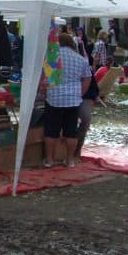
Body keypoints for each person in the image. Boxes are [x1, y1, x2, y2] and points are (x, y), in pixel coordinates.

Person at [43, 33, 92, 168]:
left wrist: (44, 92)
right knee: (71, 132)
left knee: (51, 132)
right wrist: (80, 93)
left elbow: (44, 78)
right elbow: (88, 78)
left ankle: (50, 160)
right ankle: (70, 160)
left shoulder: (51, 58)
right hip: (73, 100)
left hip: (54, 98)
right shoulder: (80, 59)